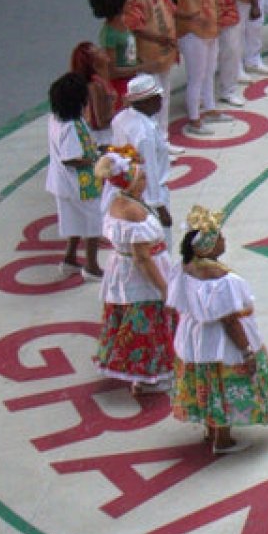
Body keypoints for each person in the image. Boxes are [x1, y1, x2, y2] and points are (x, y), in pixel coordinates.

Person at [166, 206, 268, 454]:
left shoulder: (185, 267)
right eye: (219, 238)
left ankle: (211, 429)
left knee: (206, 379)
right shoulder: (222, 279)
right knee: (221, 381)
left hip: (194, 335)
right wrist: (246, 351)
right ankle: (223, 439)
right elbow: (230, 320)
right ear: (209, 246)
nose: (224, 240)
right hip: (218, 339)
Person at [93, 150, 177, 396]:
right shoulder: (133, 212)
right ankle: (149, 378)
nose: (145, 180)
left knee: (132, 321)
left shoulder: (118, 202)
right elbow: (142, 258)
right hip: (140, 276)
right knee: (148, 323)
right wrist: (163, 287)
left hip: (124, 270)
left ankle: (141, 375)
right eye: (141, 178)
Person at [165, 0, 225, 131]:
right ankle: (194, 118)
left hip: (210, 29)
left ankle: (209, 107)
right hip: (193, 32)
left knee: (209, 72)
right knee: (196, 76)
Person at [45, 74, 105, 277]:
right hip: (79, 184)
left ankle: (70, 258)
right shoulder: (71, 127)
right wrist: (96, 158)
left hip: (61, 183)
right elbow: (70, 158)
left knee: (74, 220)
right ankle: (92, 266)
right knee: (94, 223)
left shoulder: (55, 119)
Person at [122, 0, 179, 130]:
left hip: (163, 55)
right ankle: (155, 136)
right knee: (151, 101)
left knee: (164, 97)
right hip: (148, 58)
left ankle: (163, 136)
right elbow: (134, 26)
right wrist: (159, 39)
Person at [107, 75, 172, 227]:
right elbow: (149, 170)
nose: (160, 100)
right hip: (148, 194)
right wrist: (160, 208)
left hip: (128, 189)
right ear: (145, 102)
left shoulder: (121, 118)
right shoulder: (144, 134)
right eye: (156, 97)